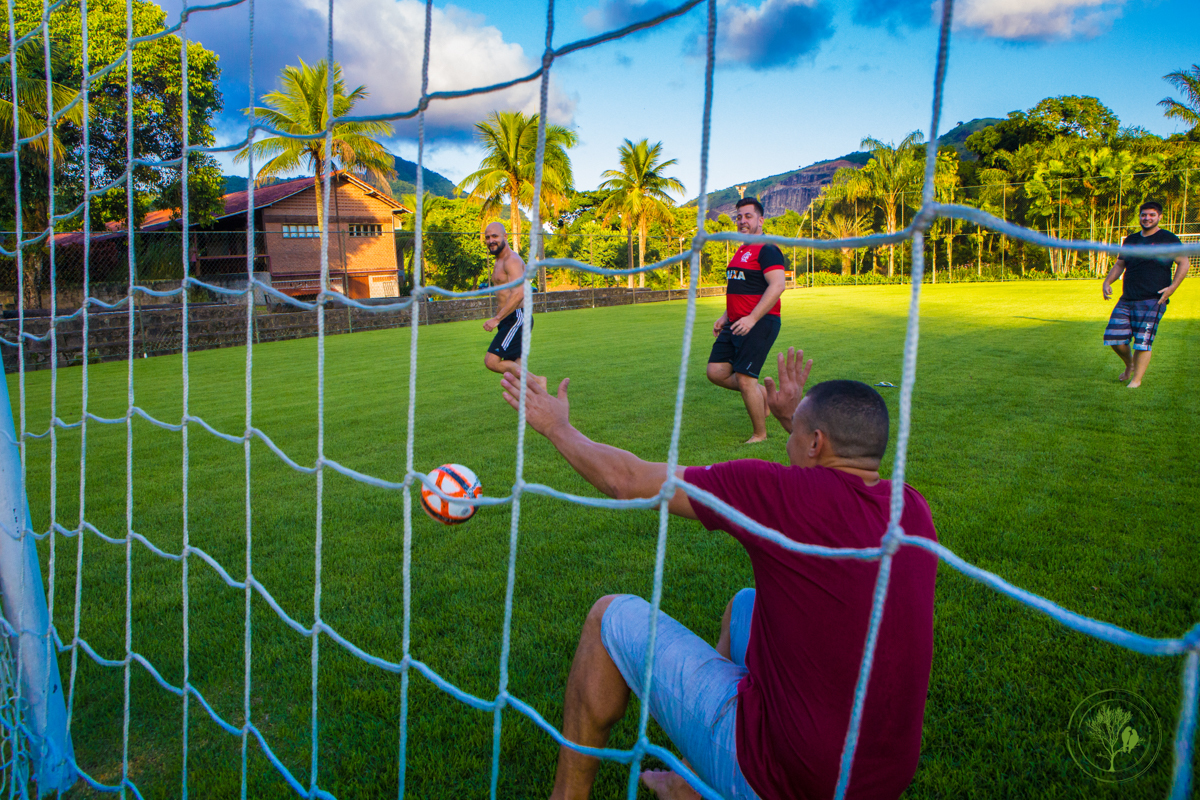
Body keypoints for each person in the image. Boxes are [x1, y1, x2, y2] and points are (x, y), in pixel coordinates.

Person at [500, 348, 939, 800]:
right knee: (745, 605)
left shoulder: (775, 494)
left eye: (796, 432)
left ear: (815, 443)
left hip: (784, 781)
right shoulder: (912, 509)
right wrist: (796, 421)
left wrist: (556, 425)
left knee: (607, 618)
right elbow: (829, 479)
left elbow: (625, 480)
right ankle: (688, 784)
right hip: (877, 783)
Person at [707, 197, 788, 444]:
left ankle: (759, 435)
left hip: (760, 321)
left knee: (744, 378)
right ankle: (762, 394)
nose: (742, 221)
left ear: (760, 220)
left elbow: (778, 285)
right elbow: (740, 288)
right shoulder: (742, 250)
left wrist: (752, 318)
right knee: (716, 371)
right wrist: (725, 316)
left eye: (748, 216)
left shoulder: (767, 249)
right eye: (739, 217)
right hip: (736, 322)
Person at [1101, 201, 1190, 389]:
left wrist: (1172, 288)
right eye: (1144, 215)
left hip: (1154, 299)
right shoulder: (1131, 240)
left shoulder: (1168, 238)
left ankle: (1136, 380)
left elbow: (1184, 262)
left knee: (1142, 342)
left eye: (1151, 215)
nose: (1147, 218)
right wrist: (1107, 282)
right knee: (1114, 338)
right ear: (1139, 216)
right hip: (1127, 298)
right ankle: (1130, 365)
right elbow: (1120, 264)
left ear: (1159, 217)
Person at [483, 221, 532, 375]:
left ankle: (538, 381)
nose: (491, 241)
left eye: (495, 236)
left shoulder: (512, 261)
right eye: (487, 237)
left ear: (505, 236)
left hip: (516, 318)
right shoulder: (499, 260)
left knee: (491, 361)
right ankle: (529, 396)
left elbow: (519, 293)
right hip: (507, 319)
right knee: (513, 371)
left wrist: (497, 318)